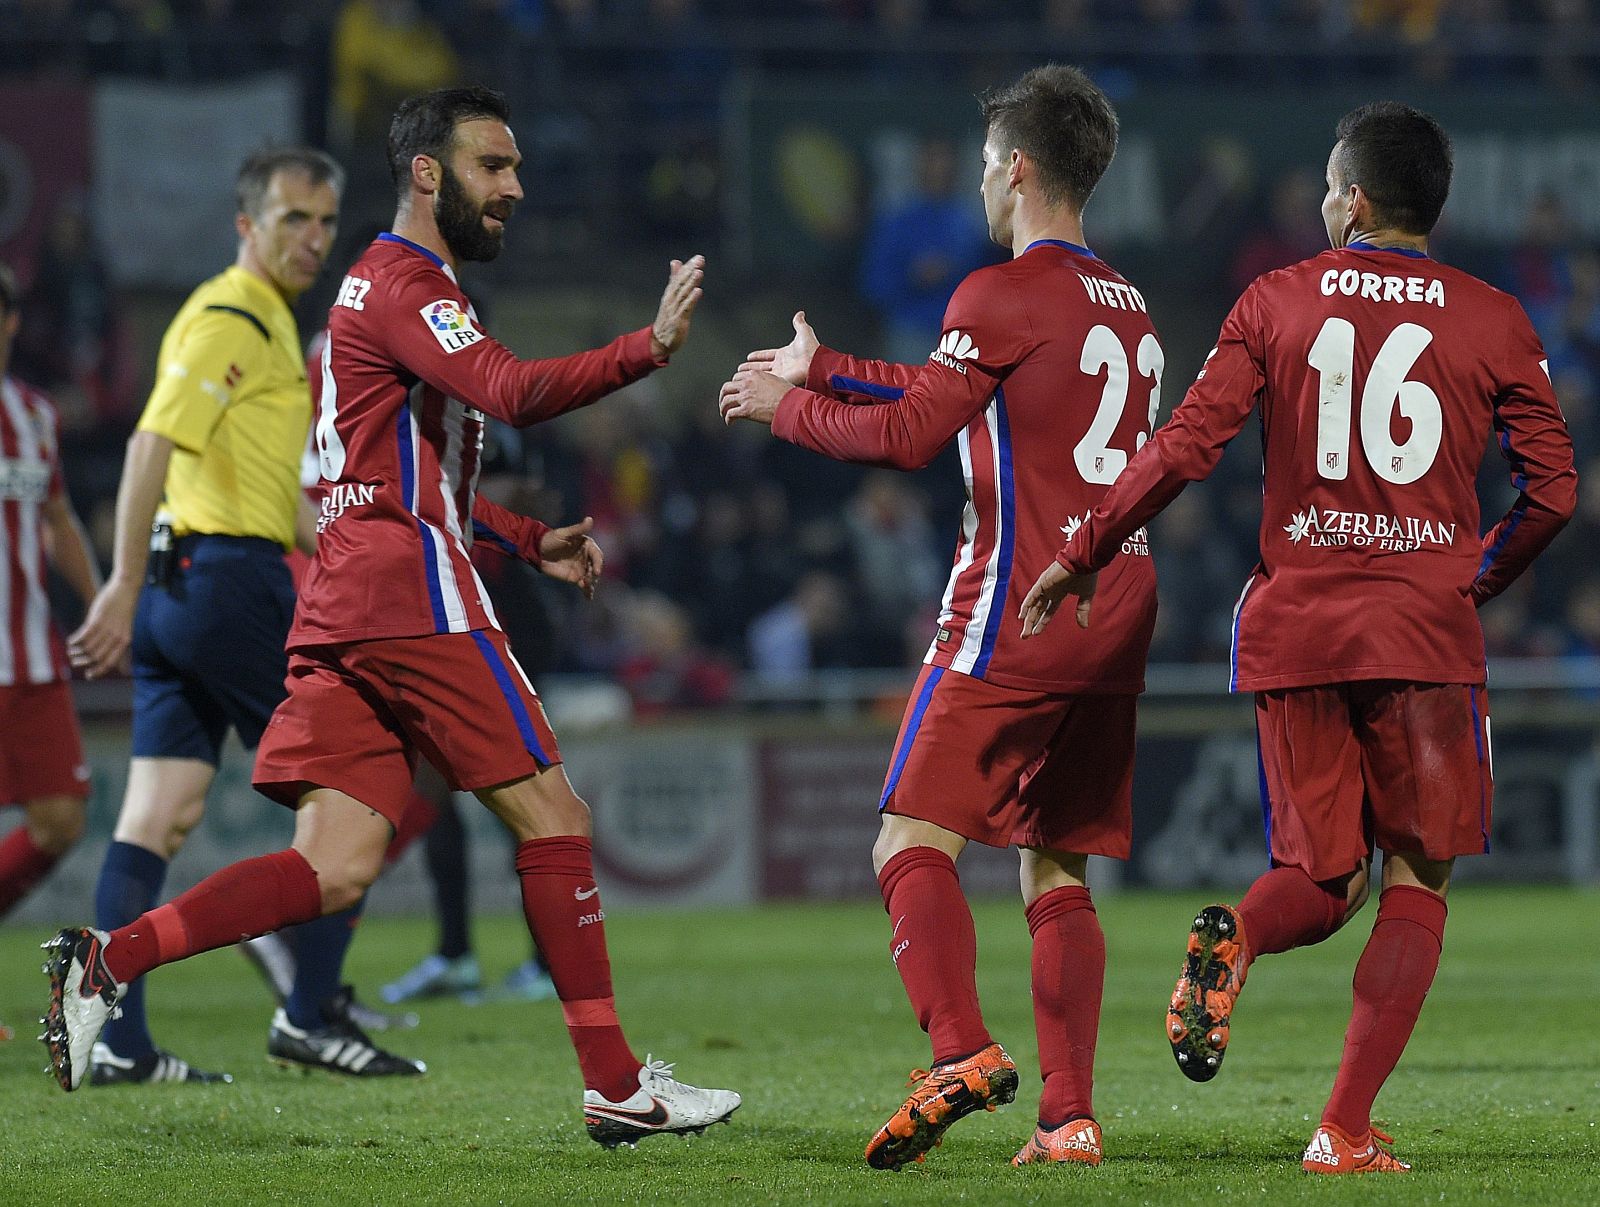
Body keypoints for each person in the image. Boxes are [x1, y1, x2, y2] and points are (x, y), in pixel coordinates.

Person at [43, 85, 740, 1151]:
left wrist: (518, 534)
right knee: (555, 820)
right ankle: (614, 1084)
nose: (513, 186)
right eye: (491, 167)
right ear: (428, 173)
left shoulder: (377, 297)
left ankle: (111, 959)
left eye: (514, 167)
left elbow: (375, 474)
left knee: (333, 868)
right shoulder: (405, 283)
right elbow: (507, 392)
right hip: (411, 592)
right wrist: (645, 348)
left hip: (347, 593)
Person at [1020, 102, 1577, 1174]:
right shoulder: (1494, 316)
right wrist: (1478, 572)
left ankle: (1236, 930)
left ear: (1354, 197)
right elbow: (1552, 492)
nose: (1323, 200)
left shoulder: (1276, 298)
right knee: (1413, 877)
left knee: (1322, 876)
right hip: (1422, 631)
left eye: (1329, 184)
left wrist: (1086, 542)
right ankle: (1344, 1131)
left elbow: (1185, 445)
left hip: (1296, 625)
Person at [720, 65, 1161, 1170]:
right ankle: (1068, 1120)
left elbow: (916, 436)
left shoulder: (995, 289)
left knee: (907, 837)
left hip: (1016, 599)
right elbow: (953, 390)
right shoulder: (1129, 305)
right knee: (1056, 866)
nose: (976, 183)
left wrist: (791, 408)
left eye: (980, 164)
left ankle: (958, 1047)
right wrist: (831, 367)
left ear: (1015, 168)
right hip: (1118, 607)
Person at [65, 147, 423, 1085]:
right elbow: (150, 439)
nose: (310, 238)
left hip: (189, 590)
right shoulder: (232, 316)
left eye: (322, 220)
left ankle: (116, 1038)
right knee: (370, 782)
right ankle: (309, 1012)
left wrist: (365, 549)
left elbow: (280, 497)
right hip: (222, 586)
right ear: (246, 225)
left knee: (158, 815)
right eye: (290, 219)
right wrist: (118, 581)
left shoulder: (265, 324)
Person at [0, 262, 102, 1031]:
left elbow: (59, 517)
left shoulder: (32, 415)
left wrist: (103, 604)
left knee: (60, 819)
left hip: (30, 655)